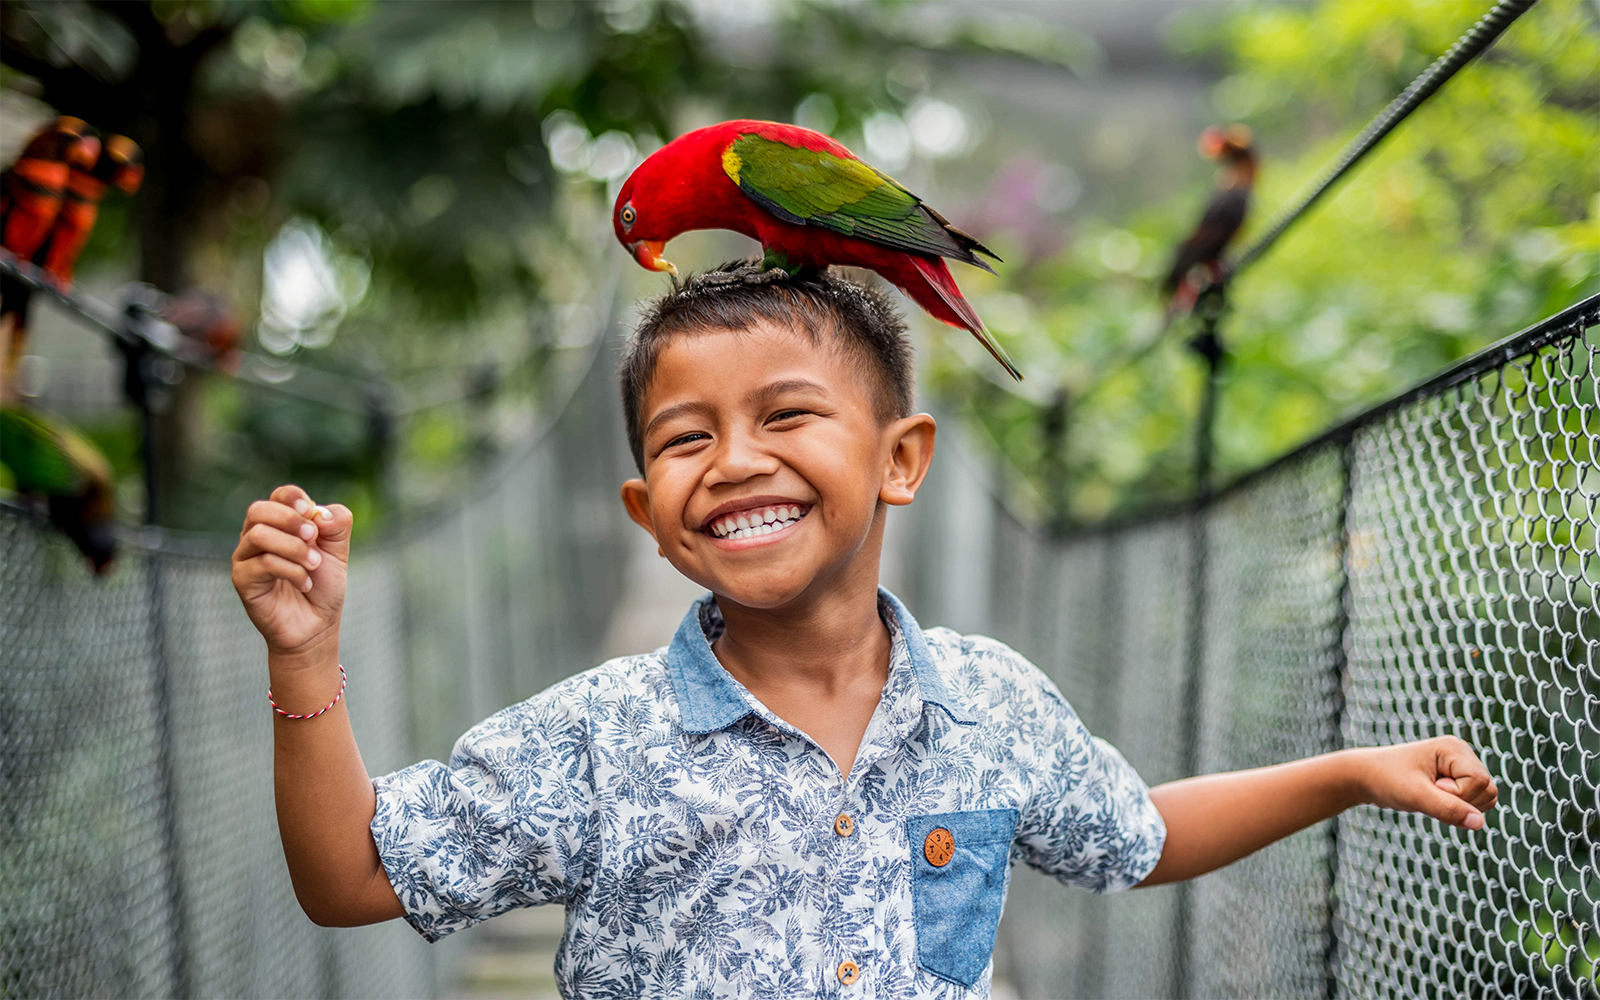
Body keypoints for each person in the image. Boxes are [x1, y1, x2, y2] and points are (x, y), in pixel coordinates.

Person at [231, 263, 1497, 998]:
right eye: (685, 438)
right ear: (647, 514)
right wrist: (304, 655)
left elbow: (1139, 836)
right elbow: (354, 878)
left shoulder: (988, 706)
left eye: (787, 416)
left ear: (901, 460)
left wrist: (1348, 773)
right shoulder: (595, 738)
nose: (734, 462)